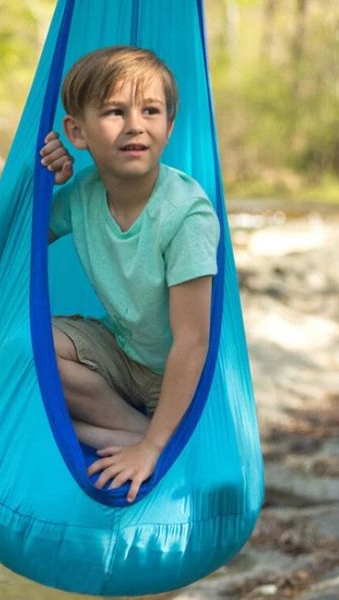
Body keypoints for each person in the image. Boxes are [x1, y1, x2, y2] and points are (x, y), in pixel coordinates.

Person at [39, 45, 220, 503]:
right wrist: (46, 185)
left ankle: (144, 436)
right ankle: (124, 428)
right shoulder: (82, 194)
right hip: (123, 354)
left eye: (151, 111)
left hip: (175, 378)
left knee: (160, 475)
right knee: (27, 341)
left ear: (168, 127)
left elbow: (193, 341)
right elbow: (20, 246)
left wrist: (153, 448)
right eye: (115, 112)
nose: (135, 124)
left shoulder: (186, 215)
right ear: (77, 133)